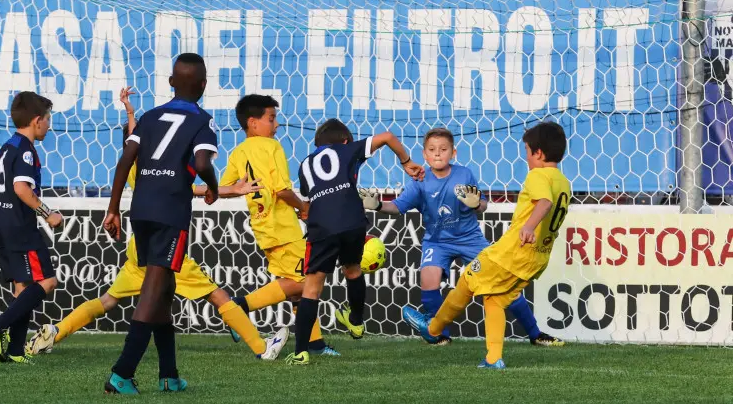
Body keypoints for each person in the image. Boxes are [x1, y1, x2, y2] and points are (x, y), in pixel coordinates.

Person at [28, 86, 288, 362]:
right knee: (217, 295)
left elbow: (133, 138)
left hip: (138, 245)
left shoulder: (133, 166)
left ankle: (55, 332)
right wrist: (231, 190)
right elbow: (192, 188)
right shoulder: (158, 164)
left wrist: (130, 112)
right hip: (164, 240)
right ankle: (262, 348)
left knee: (108, 300)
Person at [361, 127, 562, 346]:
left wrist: (476, 204)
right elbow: (398, 207)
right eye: (432, 149)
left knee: (502, 284)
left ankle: (535, 333)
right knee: (429, 279)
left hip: (470, 238)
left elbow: (483, 205)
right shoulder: (419, 180)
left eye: (443, 149)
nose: (438, 153)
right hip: (437, 241)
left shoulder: (464, 174)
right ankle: (440, 333)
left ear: (453, 153)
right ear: (424, 155)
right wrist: (378, 205)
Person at [404, 121, 571, 368]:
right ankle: (494, 358)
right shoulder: (563, 182)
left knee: (468, 281)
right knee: (494, 299)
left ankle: (433, 328)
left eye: (526, 151)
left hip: (509, 254)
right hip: (537, 258)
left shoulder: (538, 175)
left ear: (537, 153)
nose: (526, 157)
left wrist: (528, 226)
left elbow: (544, 202)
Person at [102, 53, 219, 394]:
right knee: (154, 287)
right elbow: (201, 161)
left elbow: (126, 159)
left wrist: (112, 209)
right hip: (171, 211)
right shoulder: (202, 120)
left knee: (165, 287)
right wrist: (211, 187)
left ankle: (168, 374)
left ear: (170, 83)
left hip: (141, 209)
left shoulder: (150, 117)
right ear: (204, 85)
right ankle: (121, 373)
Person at [285, 119, 425, 365]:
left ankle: (300, 352)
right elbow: (388, 137)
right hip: (352, 220)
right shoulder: (349, 148)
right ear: (346, 140)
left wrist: (306, 212)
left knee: (312, 287)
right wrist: (406, 162)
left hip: (322, 225)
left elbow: (307, 202)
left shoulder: (305, 164)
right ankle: (358, 322)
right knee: (352, 269)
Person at [218, 94, 339, 356]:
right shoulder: (272, 147)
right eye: (271, 119)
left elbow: (224, 188)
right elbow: (282, 189)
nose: (276, 125)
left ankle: (314, 343)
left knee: (295, 285)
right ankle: (240, 306)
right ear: (253, 123)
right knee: (307, 280)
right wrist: (303, 207)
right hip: (282, 227)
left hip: (263, 226)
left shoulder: (238, 152)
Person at [0, 91, 63, 364]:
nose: (49, 125)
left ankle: (16, 351)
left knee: (22, 287)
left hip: (1, 224)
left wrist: (6, 206)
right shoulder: (26, 150)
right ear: (37, 120)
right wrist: (47, 213)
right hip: (20, 227)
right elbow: (20, 188)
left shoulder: (8, 146)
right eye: (48, 119)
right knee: (47, 281)